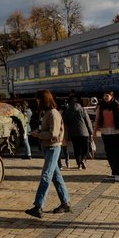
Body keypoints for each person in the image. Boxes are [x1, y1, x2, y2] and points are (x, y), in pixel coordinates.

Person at [24, 90, 71, 218]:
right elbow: (44, 129)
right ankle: (65, 203)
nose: (37, 101)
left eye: (38, 99)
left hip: (53, 147)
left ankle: (39, 206)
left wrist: (38, 134)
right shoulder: (44, 112)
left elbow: (53, 134)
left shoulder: (53, 113)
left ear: (44, 100)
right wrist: (37, 132)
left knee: (46, 176)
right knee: (56, 176)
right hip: (47, 147)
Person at [92, 91, 119, 181]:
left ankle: (117, 173)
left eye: (107, 95)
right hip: (105, 133)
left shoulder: (117, 105)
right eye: (104, 95)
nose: (105, 97)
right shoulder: (100, 106)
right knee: (109, 153)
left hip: (116, 132)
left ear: (112, 96)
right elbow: (97, 119)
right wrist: (94, 132)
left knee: (116, 153)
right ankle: (113, 171)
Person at [64, 93, 94, 169]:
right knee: (85, 148)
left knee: (76, 149)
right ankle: (84, 160)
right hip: (84, 133)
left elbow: (66, 122)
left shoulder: (68, 111)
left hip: (73, 134)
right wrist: (91, 131)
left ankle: (79, 164)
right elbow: (87, 121)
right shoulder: (82, 109)